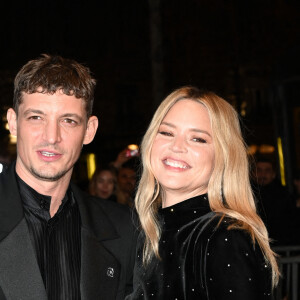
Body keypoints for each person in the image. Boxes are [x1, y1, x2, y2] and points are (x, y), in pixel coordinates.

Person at [0, 54, 137, 300]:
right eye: (36, 117)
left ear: (89, 130)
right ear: (13, 123)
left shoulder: (125, 230)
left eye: (68, 121)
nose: (51, 136)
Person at [126, 86, 279, 300]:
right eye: (167, 132)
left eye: (198, 138)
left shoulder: (225, 237)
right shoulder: (153, 230)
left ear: (224, 156)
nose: (177, 146)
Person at [252, 156, 295, 245]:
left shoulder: (283, 195)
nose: (263, 174)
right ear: (253, 173)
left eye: (267, 171)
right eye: (259, 170)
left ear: (273, 174)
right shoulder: (247, 193)